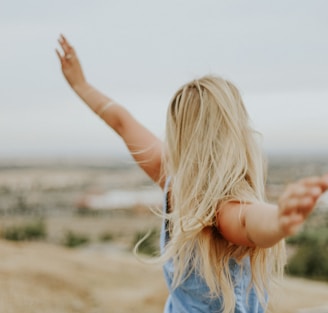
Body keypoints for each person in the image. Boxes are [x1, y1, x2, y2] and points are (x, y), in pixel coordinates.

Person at [56, 34, 328, 313]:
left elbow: (122, 122)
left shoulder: (193, 192)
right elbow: (249, 222)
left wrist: (81, 84)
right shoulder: (201, 196)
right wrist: (279, 220)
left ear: (180, 134)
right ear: (236, 135)